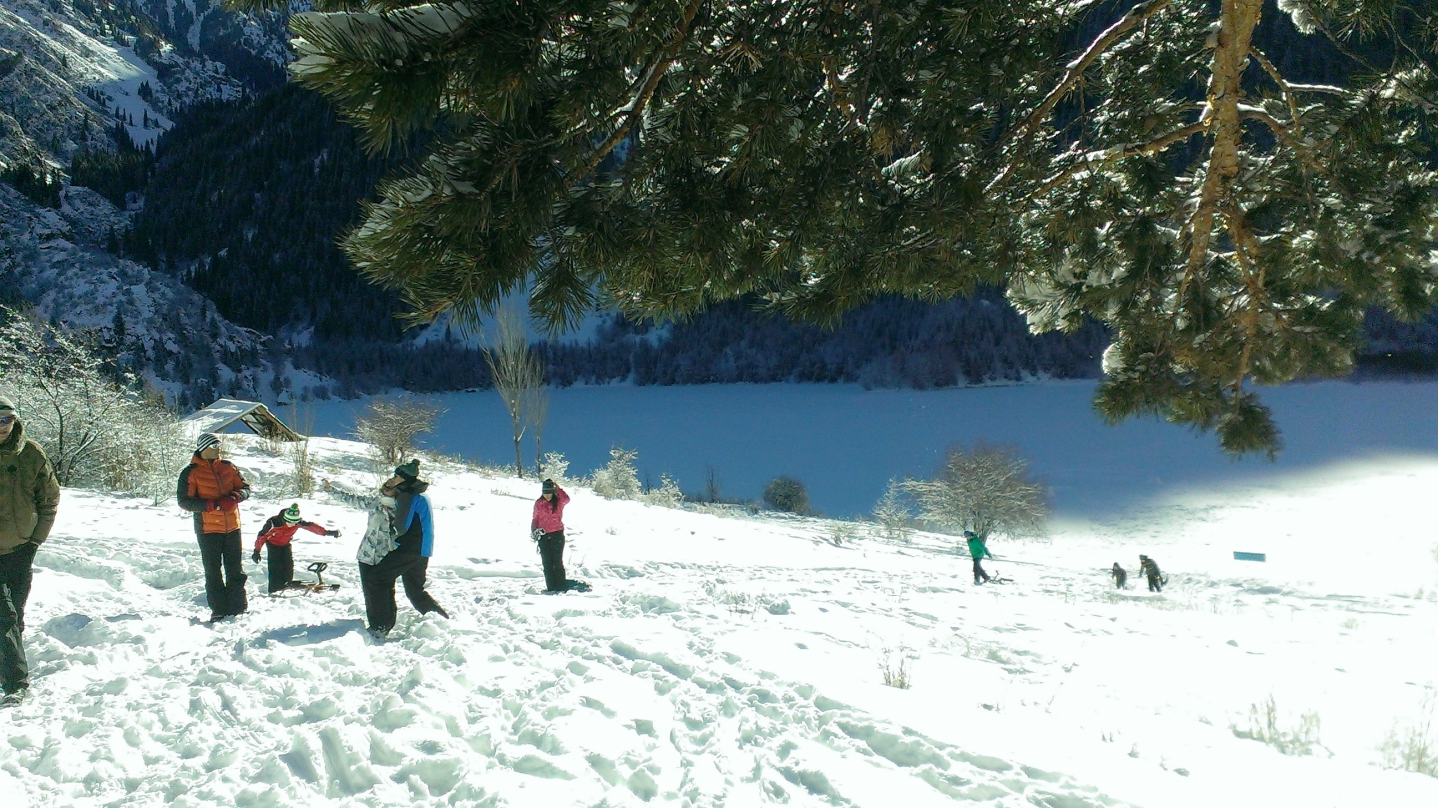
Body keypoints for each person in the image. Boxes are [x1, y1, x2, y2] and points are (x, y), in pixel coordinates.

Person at [333, 460, 447, 637]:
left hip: (407, 549)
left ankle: (381, 626)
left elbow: (402, 526)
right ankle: (443, 622)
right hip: (418, 550)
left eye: (396, 478)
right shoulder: (416, 495)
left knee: (377, 579)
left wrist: (392, 518)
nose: (391, 480)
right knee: (414, 591)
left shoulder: (407, 497)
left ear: (403, 482)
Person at [0, 395, 60, 706]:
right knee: (5, 615)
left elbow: (49, 498)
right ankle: (15, 683)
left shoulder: (31, 452)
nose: (2, 426)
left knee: (16, 614)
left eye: (7, 419)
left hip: (21, 546)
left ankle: (8, 662)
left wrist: (36, 539)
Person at [176, 433, 251, 622]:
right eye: (214, 446)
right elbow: (184, 501)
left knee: (235, 569)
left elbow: (245, 488)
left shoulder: (229, 467)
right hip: (207, 530)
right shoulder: (190, 472)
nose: (218, 449)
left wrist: (235, 496)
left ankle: (238, 607)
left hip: (232, 527)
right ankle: (218, 610)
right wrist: (210, 505)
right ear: (204, 448)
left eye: (219, 445)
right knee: (213, 571)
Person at [253, 503, 340, 594]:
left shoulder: (297, 523)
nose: (292, 525)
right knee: (276, 567)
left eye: (294, 523)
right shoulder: (274, 523)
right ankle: (274, 590)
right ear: (284, 519)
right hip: (273, 545)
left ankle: (286, 587)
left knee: (288, 565)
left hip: (285, 544)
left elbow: (312, 527)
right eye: (290, 522)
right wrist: (257, 551)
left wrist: (328, 532)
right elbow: (262, 537)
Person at [531, 478, 572, 592]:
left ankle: (561, 587)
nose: (547, 495)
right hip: (543, 536)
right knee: (547, 563)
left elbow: (567, 499)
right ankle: (551, 587)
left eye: (549, 492)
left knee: (557, 562)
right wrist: (534, 531)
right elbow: (535, 519)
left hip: (557, 535)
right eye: (545, 492)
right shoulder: (539, 503)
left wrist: (557, 488)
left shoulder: (558, 502)